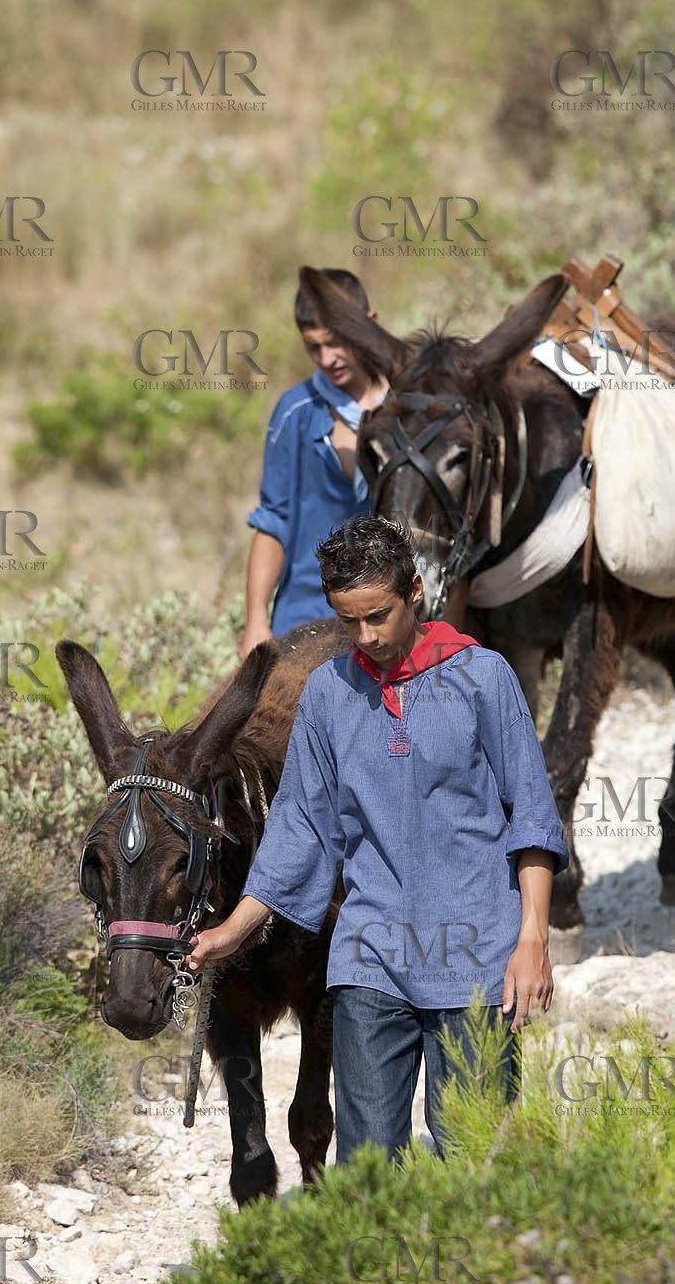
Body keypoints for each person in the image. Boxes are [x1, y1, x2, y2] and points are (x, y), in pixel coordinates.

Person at [187, 515, 569, 1164]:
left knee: (472, 1162)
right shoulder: (328, 694)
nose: (366, 637)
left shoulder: (485, 679)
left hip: (476, 961)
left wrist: (532, 939)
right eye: (348, 621)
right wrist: (232, 932)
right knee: (366, 1170)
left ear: (415, 591)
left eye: (378, 616)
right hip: (370, 961)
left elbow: (531, 817)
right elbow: (300, 828)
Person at [239, 270, 388, 658]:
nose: (327, 359)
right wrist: (256, 620)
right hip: (307, 617)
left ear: (370, 325)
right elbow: (274, 520)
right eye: (313, 347)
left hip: (389, 619)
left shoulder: (408, 405)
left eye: (336, 342)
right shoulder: (295, 412)